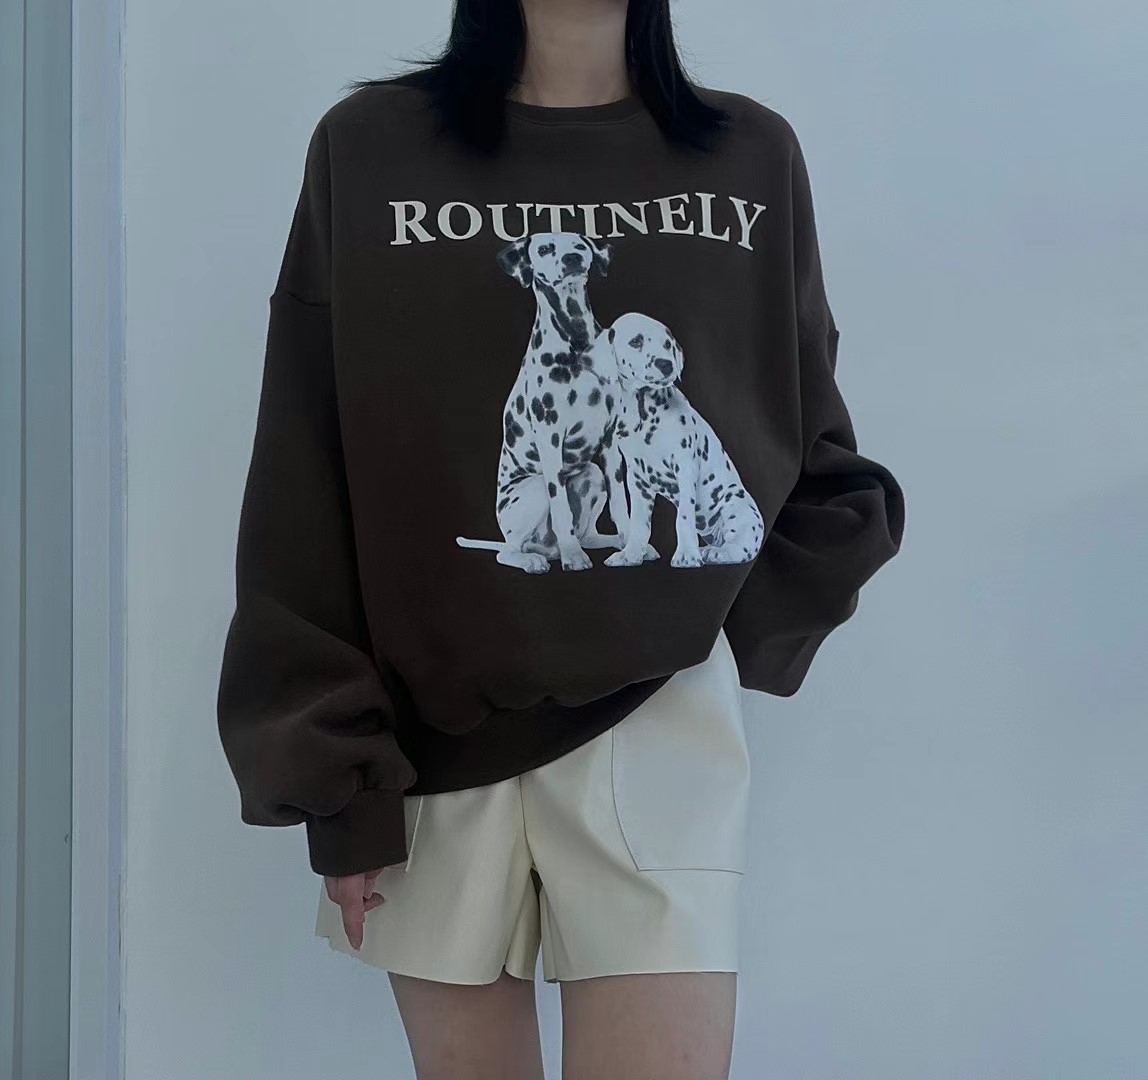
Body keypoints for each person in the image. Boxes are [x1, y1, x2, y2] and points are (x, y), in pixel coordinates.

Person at [215, 0, 905, 1076]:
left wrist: (701, 623)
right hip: (430, 736)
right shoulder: (369, 148)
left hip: (659, 728)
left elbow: (808, 444)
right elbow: (306, 471)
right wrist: (337, 779)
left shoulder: (750, 156)